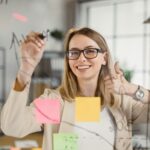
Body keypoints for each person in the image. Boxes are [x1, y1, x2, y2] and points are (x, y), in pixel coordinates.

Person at [0, 27, 150, 150]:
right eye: (74, 52)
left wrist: (132, 89)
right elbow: (12, 127)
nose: (81, 58)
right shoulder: (56, 103)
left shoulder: (120, 102)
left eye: (90, 51)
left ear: (104, 58)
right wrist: (26, 68)